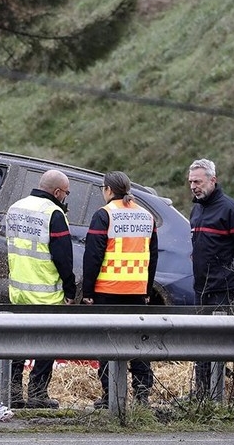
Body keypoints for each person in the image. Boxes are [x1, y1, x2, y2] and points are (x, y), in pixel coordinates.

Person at [82, 171, 158, 409]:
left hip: (108, 290)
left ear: (107, 190)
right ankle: (142, 395)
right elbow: (152, 257)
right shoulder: (147, 216)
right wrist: (147, 289)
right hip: (136, 291)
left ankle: (110, 396)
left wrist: (87, 292)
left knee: (109, 344)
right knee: (138, 343)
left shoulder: (104, 215)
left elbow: (93, 256)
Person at [4, 169, 77, 409]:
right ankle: (37, 394)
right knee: (47, 343)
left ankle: (13, 393)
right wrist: (69, 288)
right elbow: (63, 256)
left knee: (17, 344)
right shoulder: (53, 213)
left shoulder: (16, 207)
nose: (66, 197)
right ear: (57, 192)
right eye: (66, 193)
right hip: (46, 292)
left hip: (18, 291)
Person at [188, 158, 234, 398]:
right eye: (191, 182)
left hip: (226, 288)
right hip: (202, 288)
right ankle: (202, 393)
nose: (193, 186)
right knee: (201, 342)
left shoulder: (231, 209)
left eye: (198, 181)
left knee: (231, 342)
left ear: (213, 180)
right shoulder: (196, 209)